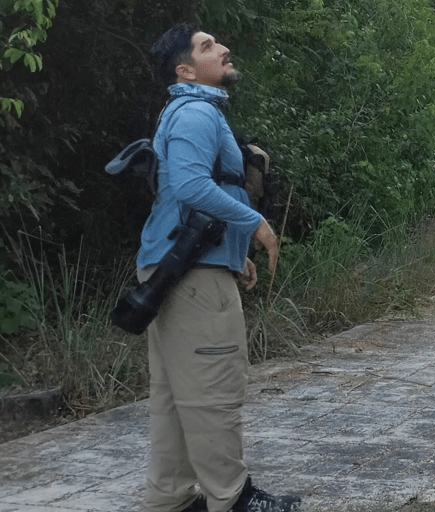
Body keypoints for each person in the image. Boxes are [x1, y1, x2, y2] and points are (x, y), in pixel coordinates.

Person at [136, 24, 300, 512]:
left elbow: (199, 200)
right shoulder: (196, 113)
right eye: (208, 46)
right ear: (186, 71)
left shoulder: (190, 112)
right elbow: (188, 185)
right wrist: (256, 224)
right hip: (190, 279)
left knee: (174, 398)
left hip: (183, 267)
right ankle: (232, 500)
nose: (224, 48)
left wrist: (234, 252)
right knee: (212, 391)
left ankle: (171, 500)